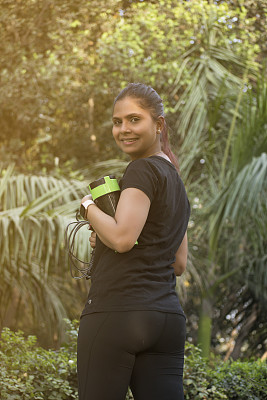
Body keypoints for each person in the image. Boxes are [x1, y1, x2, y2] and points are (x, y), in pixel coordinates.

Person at [77, 83, 190, 400]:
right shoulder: (176, 181)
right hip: (166, 321)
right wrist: (109, 235)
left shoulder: (141, 169)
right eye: (117, 121)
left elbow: (123, 239)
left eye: (134, 119)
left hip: (118, 313)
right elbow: (178, 263)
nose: (123, 129)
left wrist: (89, 208)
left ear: (159, 124)